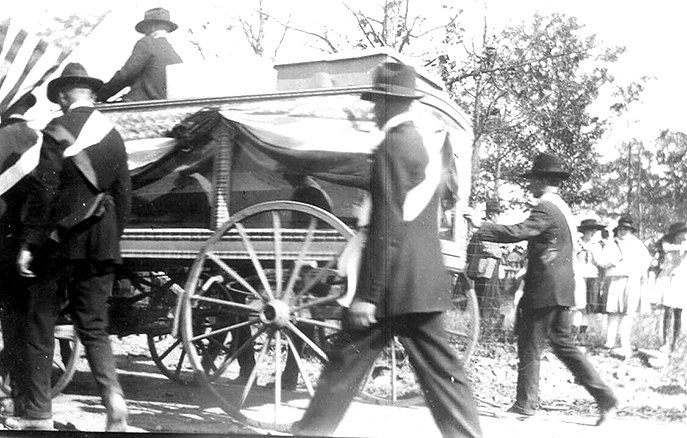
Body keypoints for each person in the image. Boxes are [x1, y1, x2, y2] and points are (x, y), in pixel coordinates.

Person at [292, 62, 483, 438]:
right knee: (441, 373)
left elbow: (386, 226)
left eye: (378, 102)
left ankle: (311, 431)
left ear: (390, 104)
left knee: (348, 358)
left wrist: (366, 296)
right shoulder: (418, 143)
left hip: (391, 286)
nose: (374, 110)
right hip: (418, 280)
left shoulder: (393, 147)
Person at [8, 63, 132, 431]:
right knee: (94, 327)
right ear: (90, 93)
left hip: (59, 243)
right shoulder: (114, 135)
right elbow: (124, 194)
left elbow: (44, 189)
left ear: (63, 96)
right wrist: (112, 236)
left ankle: (38, 415)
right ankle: (114, 401)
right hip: (104, 243)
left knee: (39, 324)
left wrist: (29, 242)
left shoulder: (57, 130)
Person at [465, 152, 617, 425]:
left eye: (533, 179)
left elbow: (517, 232)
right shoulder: (562, 209)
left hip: (544, 289)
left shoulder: (546, 209)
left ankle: (525, 405)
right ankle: (605, 397)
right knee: (563, 345)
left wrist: (481, 227)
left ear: (543, 180)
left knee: (530, 344)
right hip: (560, 288)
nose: (530, 185)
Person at [0, 92, 39, 417]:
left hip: (5, 234)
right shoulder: (38, 137)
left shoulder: (3, 138)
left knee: (10, 320)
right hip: (32, 235)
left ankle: (7, 391)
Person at [97, 7, 182, 102]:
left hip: (140, 104)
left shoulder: (147, 43)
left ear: (151, 27)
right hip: (162, 106)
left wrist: (98, 95)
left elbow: (126, 75)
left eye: (145, 28)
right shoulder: (175, 56)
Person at [601, 216, 651, 358]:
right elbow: (602, 261)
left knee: (628, 312)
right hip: (616, 279)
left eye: (626, 229)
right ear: (617, 230)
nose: (623, 232)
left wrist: (641, 273)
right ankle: (609, 341)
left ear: (631, 231)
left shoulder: (637, 244)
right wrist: (612, 262)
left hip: (632, 280)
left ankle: (625, 342)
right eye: (621, 229)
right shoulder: (611, 243)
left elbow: (646, 261)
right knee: (613, 311)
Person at [466, 199, 505, 336]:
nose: (498, 216)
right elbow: (489, 249)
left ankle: (482, 326)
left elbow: (472, 247)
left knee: (485, 297)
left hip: (482, 267)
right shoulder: (488, 228)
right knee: (488, 297)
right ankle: (485, 327)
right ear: (492, 214)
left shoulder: (483, 227)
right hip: (488, 267)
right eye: (497, 213)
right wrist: (499, 252)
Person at [572, 218, 608, 346]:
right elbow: (571, 259)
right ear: (584, 231)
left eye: (594, 230)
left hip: (592, 276)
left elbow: (600, 262)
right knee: (578, 305)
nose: (592, 233)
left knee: (589, 307)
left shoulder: (597, 245)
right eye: (590, 230)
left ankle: (582, 335)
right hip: (579, 275)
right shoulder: (576, 244)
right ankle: (573, 334)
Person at [652, 222, 687, 352]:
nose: (685, 235)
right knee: (668, 310)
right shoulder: (667, 243)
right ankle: (666, 342)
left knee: (679, 311)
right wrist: (681, 247)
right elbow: (666, 248)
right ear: (676, 234)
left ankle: (675, 343)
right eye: (683, 232)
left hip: (681, 279)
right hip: (667, 278)